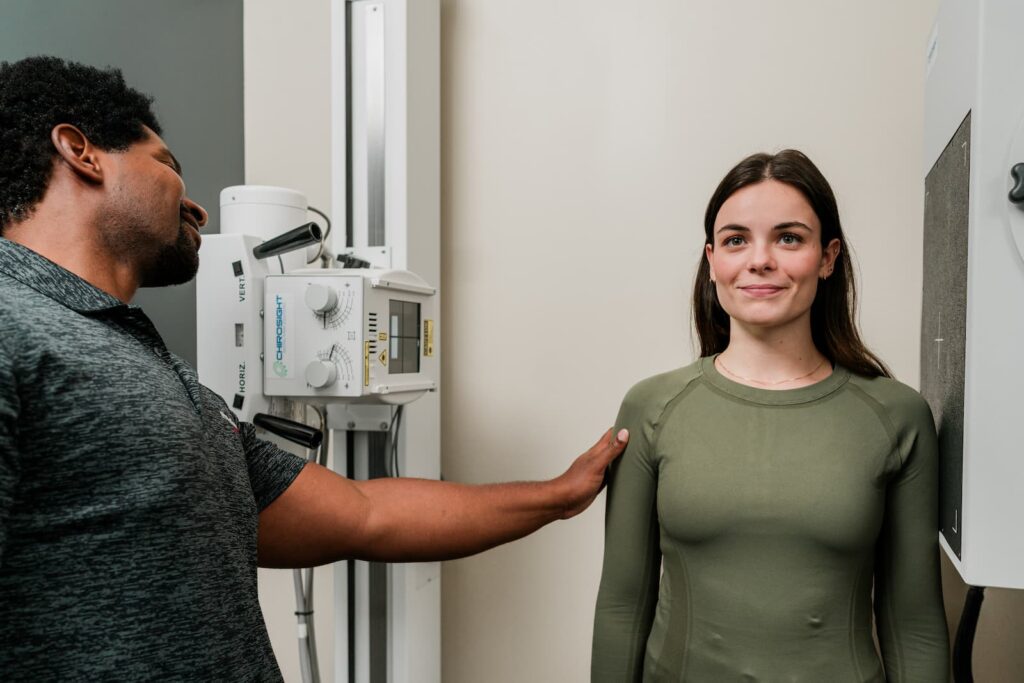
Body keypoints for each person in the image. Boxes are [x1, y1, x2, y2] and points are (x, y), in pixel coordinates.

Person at [0, 56, 628, 680]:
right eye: (166, 165)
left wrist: (556, 496)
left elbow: (365, 515)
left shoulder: (155, 370)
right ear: (81, 152)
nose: (197, 208)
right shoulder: (14, 325)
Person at [591, 150, 949, 681]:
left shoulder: (897, 416)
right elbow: (622, 606)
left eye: (788, 238)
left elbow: (913, 623)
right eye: (737, 240)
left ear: (827, 258)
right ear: (712, 261)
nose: (760, 260)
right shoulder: (651, 407)